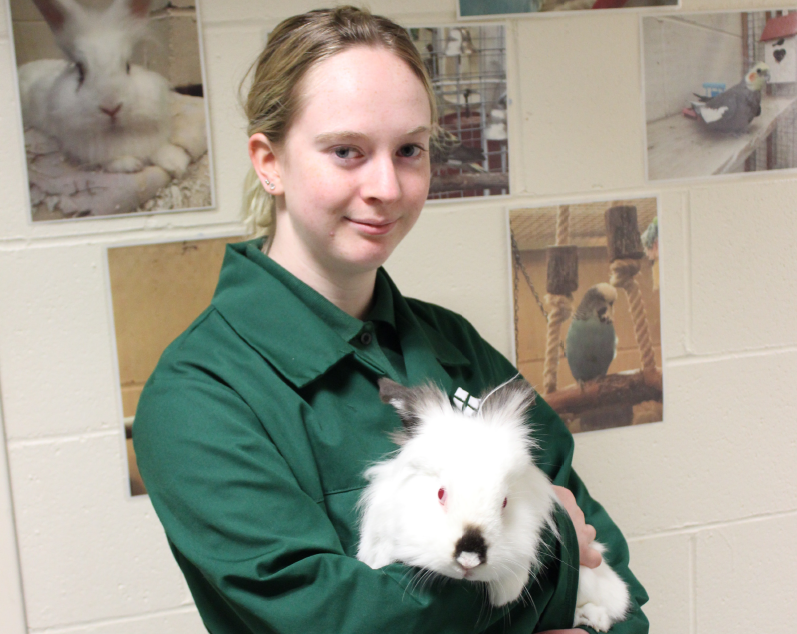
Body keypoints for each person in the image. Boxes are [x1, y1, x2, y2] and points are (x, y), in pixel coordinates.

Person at [133, 6, 649, 633]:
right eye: (346, 151)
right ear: (269, 162)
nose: (387, 186)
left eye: (409, 150)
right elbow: (338, 621)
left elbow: (615, 582)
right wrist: (552, 551)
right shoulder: (198, 397)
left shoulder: (454, 345)